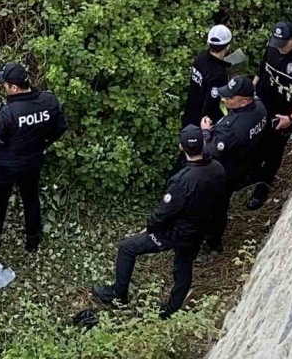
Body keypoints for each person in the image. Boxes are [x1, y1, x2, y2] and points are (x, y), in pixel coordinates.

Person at [92, 126, 226, 318]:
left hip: (176, 232)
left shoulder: (183, 180)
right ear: (204, 142)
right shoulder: (217, 168)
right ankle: (172, 309)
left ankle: (118, 294)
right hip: (200, 229)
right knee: (183, 265)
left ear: (181, 147)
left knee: (127, 248)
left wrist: (150, 229)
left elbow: (164, 213)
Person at [0, 63, 67, 252]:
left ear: (14, 87)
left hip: (5, 166)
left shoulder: (9, 113)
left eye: (5, 84)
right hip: (32, 162)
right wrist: (44, 144)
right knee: (31, 198)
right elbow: (61, 127)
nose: (3, 87)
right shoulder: (49, 101)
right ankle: (32, 241)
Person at [246, 22, 292, 210]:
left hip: (282, 115)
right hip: (260, 106)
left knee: (273, 152)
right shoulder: (272, 48)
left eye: (283, 43)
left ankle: (263, 187)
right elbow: (261, 71)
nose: (280, 47)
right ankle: (251, 174)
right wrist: (252, 92)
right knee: (255, 143)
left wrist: (291, 119)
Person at [200, 75, 267, 254]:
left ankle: (213, 243)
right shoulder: (259, 107)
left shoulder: (231, 128)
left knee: (217, 207)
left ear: (244, 101)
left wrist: (206, 133)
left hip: (227, 171)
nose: (225, 99)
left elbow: (210, 151)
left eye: (230, 98)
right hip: (246, 161)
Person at [182, 25, 233, 129]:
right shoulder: (218, 74)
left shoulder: (200, 58)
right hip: (202, 123)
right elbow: (211, 104)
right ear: (227, 46)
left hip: (190, 112)